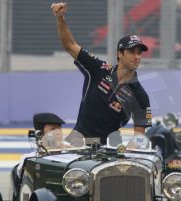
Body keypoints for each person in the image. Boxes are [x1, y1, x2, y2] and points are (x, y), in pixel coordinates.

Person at [51, 3, 152, 144]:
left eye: (139, 53)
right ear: (119, 53)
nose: (136, 57)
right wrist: (60, 18)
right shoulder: (99, 69)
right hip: (77, 141)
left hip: (109, 150)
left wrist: (127, 153)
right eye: (131, 52)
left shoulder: (140, 95)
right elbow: (69, 45)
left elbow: (139, 136)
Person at [16, 113, 65, 178]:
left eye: (59, 129)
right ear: (39, 134)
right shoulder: (29, 159)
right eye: (53, 129)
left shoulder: (71, 155)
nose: (58, 132)